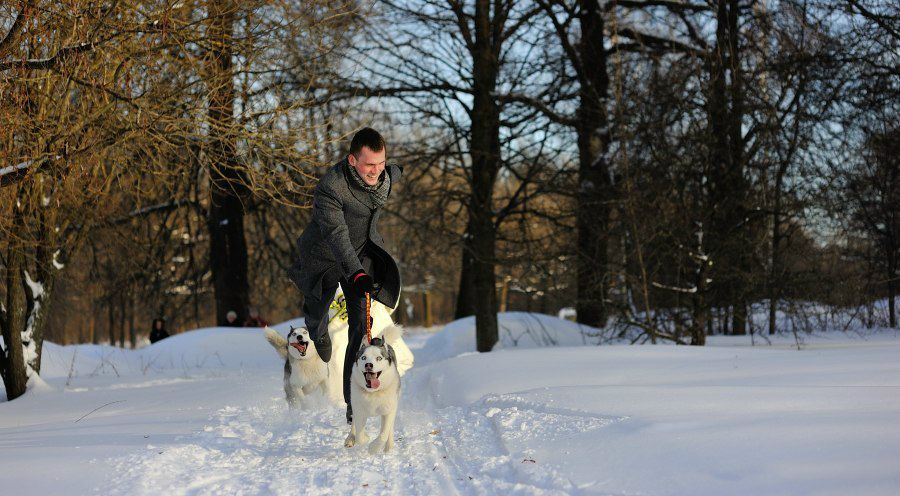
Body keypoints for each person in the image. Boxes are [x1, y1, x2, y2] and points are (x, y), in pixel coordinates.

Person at [288, 127, 402, 424]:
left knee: (360, 330)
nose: (376, 171)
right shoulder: (331, 187)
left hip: (361, 255)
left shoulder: (384, 177)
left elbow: (390, 174)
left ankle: (355, 407)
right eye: (369, 165)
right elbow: (337, 235)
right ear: (352, 160)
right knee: (316, 315)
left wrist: (360, 271)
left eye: (380, 163)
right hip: (323, 258)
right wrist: (355, 271)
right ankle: (317, 330)